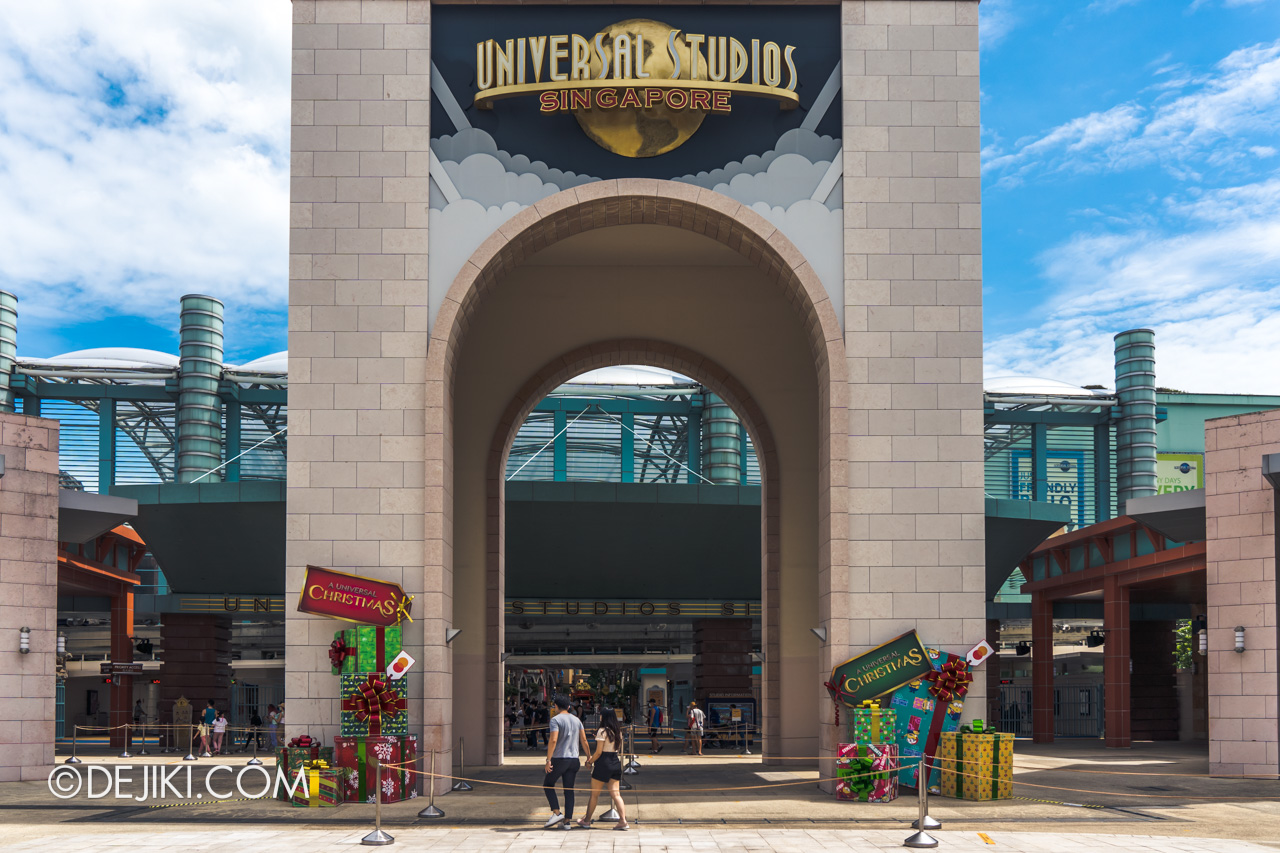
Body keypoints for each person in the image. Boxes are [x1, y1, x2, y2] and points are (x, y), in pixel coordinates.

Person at [542, 694, 590, 830]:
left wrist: (548, 760)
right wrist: (588, 757)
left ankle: (557, 812)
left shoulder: (555, 720)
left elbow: (553, 740)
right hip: (574, 759)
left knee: (548, 784)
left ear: (556, 706)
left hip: (559, 758)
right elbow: (584, 740)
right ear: (569, 707)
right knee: (569, 789)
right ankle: (567, 821)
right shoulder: (577, 720)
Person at [577, 708, 628, 830]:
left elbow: (599, 752)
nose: (600, 717)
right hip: (615, 761)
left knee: (594, 794)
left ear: (604, 717)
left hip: (603, 763)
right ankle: (623, 821)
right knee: (616, 794)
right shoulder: (618, 731)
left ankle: (587, 820)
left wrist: (589, 761)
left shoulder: (602, 731)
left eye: (601, 715)